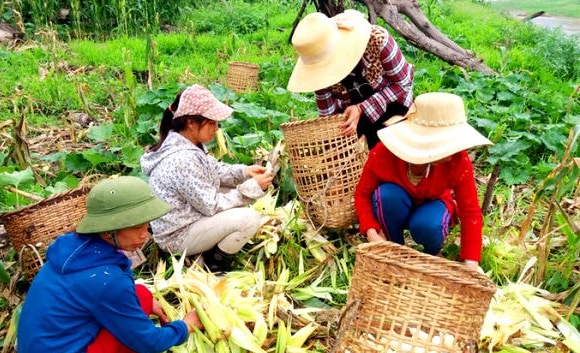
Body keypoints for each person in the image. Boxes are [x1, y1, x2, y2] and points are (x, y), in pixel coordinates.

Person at [17, 176, 203, 353]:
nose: (145, 235)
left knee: (141, 297)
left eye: (147, 225)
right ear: (108, 231)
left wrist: (141, 302)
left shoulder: (75, 250)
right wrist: (185, 327)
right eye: (136, 227)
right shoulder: (105, 280)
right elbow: (147, 342)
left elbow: (108, 294)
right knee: (133, 310)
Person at [140, 84, 274, 272]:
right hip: (177, 236)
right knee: (249, 218)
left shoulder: (186, 142)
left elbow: (214, 170)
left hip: (185, 217)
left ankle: (210, 249)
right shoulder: (182, 159)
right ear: (191, 123)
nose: (217, 129)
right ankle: (213, 263)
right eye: (211, 123)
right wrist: (251, 188)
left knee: (234, 194)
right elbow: (210, 205)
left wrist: (244, 172)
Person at [354, 92, 493, 271]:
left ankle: (433, 252)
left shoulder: (457, 160)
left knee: (428, 225)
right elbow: (362, 194)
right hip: (396, 206)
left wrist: (471, 263)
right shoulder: (385, 152)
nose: (448, 153)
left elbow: (470, 213)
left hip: (433, 204)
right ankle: (393, 247)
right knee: (387, 195)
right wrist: (371, 233)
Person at [287, 9, 414, 149]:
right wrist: (331, 143)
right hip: (352, 118)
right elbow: (328, 116)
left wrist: (361, 108)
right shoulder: (319, 71)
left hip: (393, 105)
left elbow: (403, 84)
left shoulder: (377, 41)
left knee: (391, 150)